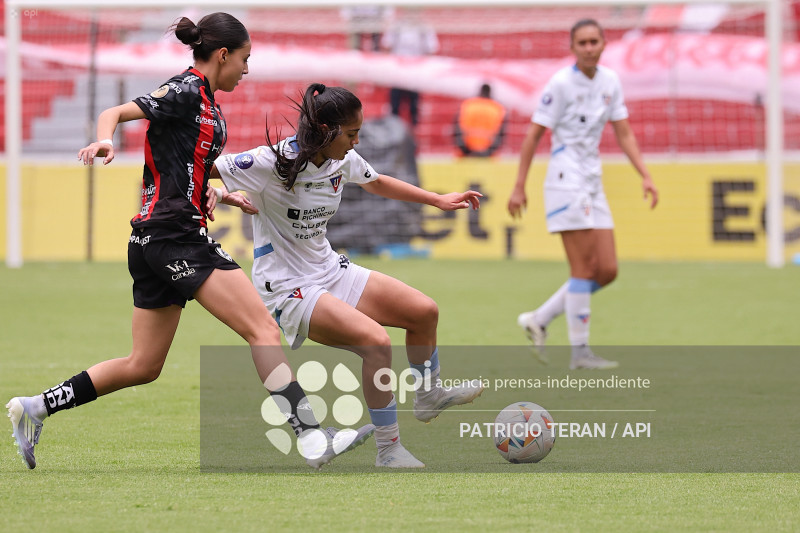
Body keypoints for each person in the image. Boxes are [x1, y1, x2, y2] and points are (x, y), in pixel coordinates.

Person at [6, 13, 373, 472]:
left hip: (156, 238)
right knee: (262, 330)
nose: (246, 69)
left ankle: (35, 406)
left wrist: (221, 194)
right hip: (175, 237)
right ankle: (313, 438)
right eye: (244, 59)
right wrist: (104, 140)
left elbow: (183, 166)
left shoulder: (208, 104)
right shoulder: (184, 90)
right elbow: (114, 113)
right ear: (223, 54)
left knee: (143, 365)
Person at [211, 83, 485, 468]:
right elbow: (199, 169)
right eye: (352, 134)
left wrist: (437, 199)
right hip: (289, 286)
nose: (356, 143)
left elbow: (377, 181)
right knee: (376, 343)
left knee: (424, 312)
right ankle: (389, 451)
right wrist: (219, 194)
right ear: (326, 130)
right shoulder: (269, 161)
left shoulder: (341, 158)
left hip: (329, 269)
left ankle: (429, 396)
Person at [507, 19, 659, 369]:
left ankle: (539, 319)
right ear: (573, 47)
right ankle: (580, 353)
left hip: (592, 181)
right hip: (566, 180)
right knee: (584, 268)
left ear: (604, 44)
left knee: (607, 270)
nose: (589, 48)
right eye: (582, 43)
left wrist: (645, 174)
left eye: (594, 41)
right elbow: (533, 136)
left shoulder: (610, 81)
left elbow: (624, 132)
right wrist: (519, 185)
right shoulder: (561, 84)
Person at [381, 9, 439, 127]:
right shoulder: (396, 26)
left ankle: (413, 128)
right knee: (395, 103)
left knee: (414, 104)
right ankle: (394, 128)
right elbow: (387, 45)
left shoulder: (424, 28)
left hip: (415, 70)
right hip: (398, 70)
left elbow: (432, 48)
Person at [454, 83, 507, 157]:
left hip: (465, 154)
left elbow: (456, 130)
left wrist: (465, 150)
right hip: (489, 155)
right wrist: (488, 152)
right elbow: (501, 134)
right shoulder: (497, 108)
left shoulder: (467, 105)